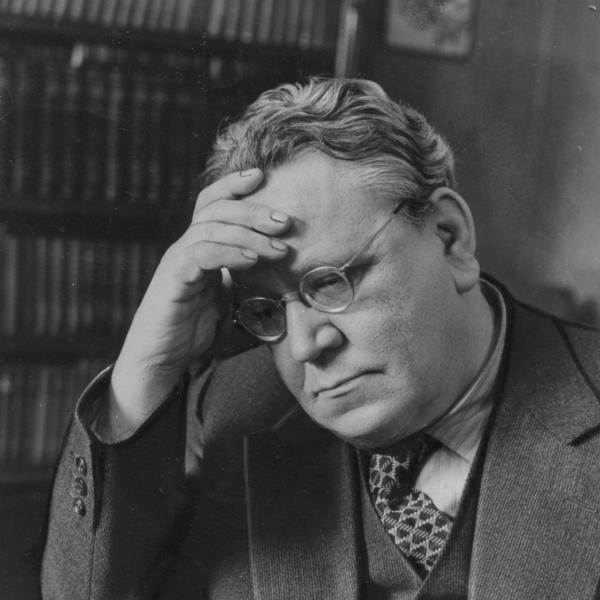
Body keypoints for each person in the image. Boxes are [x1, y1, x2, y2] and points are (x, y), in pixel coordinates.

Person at [42, 78, 600, 600]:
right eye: (266, 310)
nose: (306, 346)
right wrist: (147, 370)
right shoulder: (233, 408)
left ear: (449, 238)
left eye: (332, 282)